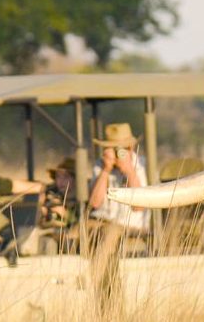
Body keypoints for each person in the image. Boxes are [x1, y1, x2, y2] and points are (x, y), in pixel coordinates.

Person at [87, 123, 150, 302]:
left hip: (129, 225)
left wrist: (129, 171)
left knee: (111, 231)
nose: (117, 153)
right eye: (112, 148)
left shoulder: (140, 165)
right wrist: (106, 170)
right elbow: (95, 203)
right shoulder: (100, 166)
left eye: (121, 149)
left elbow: (139, 206)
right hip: (101, 223)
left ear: (130, 147)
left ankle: (93, 277)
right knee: (79, 231)